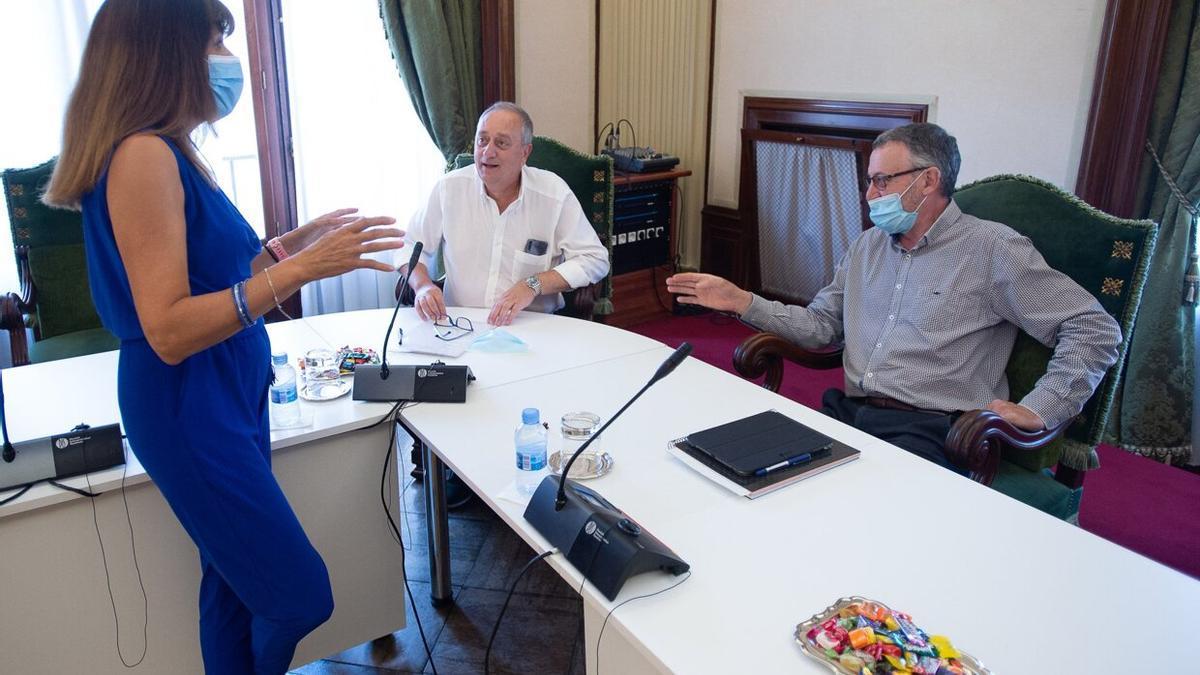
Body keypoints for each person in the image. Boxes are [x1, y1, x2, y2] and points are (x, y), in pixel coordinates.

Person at [42, 1, 404, 672]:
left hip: (223, 392)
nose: (227, 61)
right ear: (166, 52)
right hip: (188, 400)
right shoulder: (142, 155)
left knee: (233, 586)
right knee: (300, 596)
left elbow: (215, 279)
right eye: (214, 41)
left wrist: (289, 247)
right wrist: (300, 269)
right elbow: (170, 328)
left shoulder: (167, 150)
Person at [666, 123, 1122, 473]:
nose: (869, 195)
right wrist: (742, 300)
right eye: (869, 181)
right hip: (849, 411)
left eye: (882, 181)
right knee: (736, 464)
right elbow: (821, 326)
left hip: (931, 430)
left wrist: (1042, 407)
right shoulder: (867, 246)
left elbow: (1094, 328)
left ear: (927, 181)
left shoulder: (992, 249)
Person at [401, 101, 609, 326]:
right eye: (482, 140)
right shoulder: (448, 189)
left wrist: (532, 284)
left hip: (531, 326)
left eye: (501, 143)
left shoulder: (553, 195)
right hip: (459, 324)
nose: (488, 152)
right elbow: (409, 246)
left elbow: (594, 259)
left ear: (525, 152)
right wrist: (422, 286)